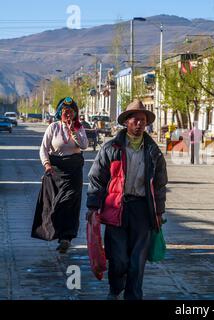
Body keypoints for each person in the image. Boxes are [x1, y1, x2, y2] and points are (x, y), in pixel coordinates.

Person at [86, 99, 168, 300]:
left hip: (142, 210)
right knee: (119, 258)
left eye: (143, 120)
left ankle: (133, 295)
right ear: (126, 122)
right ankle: (115, 289)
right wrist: (93, 206)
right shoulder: (110, 148)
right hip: (116, 209)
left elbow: (159, 184)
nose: (140, 124)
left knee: (137, 261)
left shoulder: (153, 151)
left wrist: (159, 211)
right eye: (135, 120)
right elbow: (97, 178)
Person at [33, 97, 88, 254]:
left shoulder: (79, 127)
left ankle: (66, 238)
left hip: (74, 171)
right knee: (55, 205)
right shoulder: (53, 127)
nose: (68, 115)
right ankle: (58, 233)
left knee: (69, 202)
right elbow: (43, 149)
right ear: (60, 113)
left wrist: (73, 131)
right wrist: (47, 164)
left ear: (75, 113)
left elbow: (84, 145)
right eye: (65, 112)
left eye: (71, 112)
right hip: (56, 170)